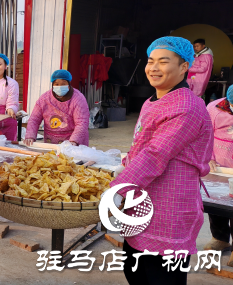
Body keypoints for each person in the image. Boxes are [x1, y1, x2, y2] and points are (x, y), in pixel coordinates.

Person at [110, 36, 213, 285]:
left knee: (161, 278)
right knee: (135, 272)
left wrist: (117, 189)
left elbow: (156, 153)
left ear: (184, 66)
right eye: (150, 61)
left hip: (170, 207)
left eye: (163, 62)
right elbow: (142, 145)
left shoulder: (187, 106)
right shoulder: (153, 100)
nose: (153, 68)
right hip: (142, 199)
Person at [204, 85, 233, 267]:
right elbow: (205, 135)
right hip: (219, 167)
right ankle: (220, 238)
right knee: (217, 204)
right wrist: (208, 158)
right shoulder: (213, 109)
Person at [24, 69, 89, 146]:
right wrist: (30, 136)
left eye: (63, 84)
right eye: (57, 84)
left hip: (73, 143)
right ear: (52, 85)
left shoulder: (78, 99)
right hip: (51, 142)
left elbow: (82, 123)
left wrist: (73, 141)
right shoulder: (44, 99)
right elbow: (34, 119)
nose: (60, 87)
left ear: (69, 84)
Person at [0, 53, 20, 141]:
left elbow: (12, 100)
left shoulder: (12, 83)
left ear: (5, 66)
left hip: (6, 118)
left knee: (7, 148)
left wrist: (11, 109)